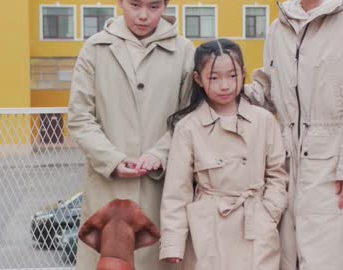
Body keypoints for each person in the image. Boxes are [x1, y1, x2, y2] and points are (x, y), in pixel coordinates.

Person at [246, 0, 343, 269]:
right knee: (291, 258)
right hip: (288, 169)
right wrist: (227, 89)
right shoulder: (280, 27)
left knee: (336, 257)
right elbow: (268, 89)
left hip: (336, 168)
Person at [67, 0, 195, 269]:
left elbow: (189, 117)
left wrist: (159, 154)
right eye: (135, 5)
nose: (143, 15)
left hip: (162, 187)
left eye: (153, 7)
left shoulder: (184, 51)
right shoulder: (95, 48)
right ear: (120, 3)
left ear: (166, 5)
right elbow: (80, 116)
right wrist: (112, 159)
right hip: (107, 189)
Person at [158, 39, 289, 270]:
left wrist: (269, 213)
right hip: (208, 229)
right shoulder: (188, 127)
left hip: (255, 224)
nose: (225, 85)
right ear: (198, 79)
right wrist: (173, 244)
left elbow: (277, 175)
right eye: (214, 77)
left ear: (243, 75)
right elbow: (176, 192)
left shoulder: (264, 120)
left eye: (232, 75)